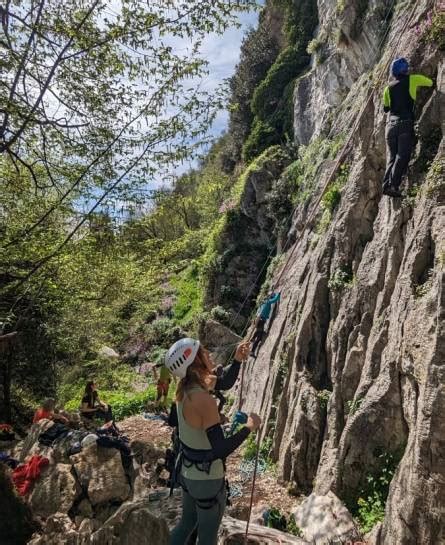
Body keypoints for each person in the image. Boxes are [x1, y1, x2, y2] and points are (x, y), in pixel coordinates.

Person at [166, 338, 261, 545]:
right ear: (196, 362)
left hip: (187, 473)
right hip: (207, 480)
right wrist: (250, 427)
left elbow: (225, 382)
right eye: (203, 352)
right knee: (207, 538)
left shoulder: (185, 388)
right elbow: (220, 449)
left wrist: (236, 360)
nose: (209, 353)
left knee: (186, 524)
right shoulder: (202, 399)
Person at [382, 58, 433, 197]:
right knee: (402, 156)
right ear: (406, 70)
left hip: (390, 127)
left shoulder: (388, 88)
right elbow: (429, 83)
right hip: (405, 123)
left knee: (393, 157)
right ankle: (393, 186)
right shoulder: (413, 79)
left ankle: (386, 185)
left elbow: (386, 108)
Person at [250, 291, 281, 358]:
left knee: (259, 334)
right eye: (271, 296)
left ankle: (253, 338)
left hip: (259, 320)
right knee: (259, 337)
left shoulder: (263, 302)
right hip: (261, 320)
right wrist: (278, 294)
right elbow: (275, 299)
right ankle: (252, 351)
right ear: (270, 296)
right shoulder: (268, 302)